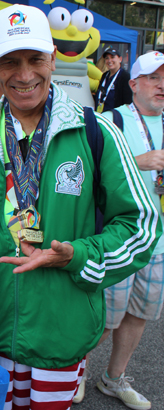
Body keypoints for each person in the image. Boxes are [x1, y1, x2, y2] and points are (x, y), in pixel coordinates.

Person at [0, 5, 161, 409]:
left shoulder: (98, 132)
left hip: (60, 335)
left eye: (35, 59)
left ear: (54, 58)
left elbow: (142, 225)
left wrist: (77, 256)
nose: (24, 75)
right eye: (10, 61)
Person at [90, 51, 164, 410]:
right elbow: (88, 175)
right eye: (153, 78)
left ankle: (114, 378)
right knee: (104, 316)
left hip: (159, 241)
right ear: (133, 84)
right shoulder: (110, 121)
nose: (161, 85)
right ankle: (73, 373)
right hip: (119, 238)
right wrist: (138, 163)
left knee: (139, 314)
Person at [94, 47, 132, 113]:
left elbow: (127, 103)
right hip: (101, 115)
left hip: (115, 118)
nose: (109, 60)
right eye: (107, 58)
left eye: (112, 57)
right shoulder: (104, 75)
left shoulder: (125, 77)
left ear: (120, 59)